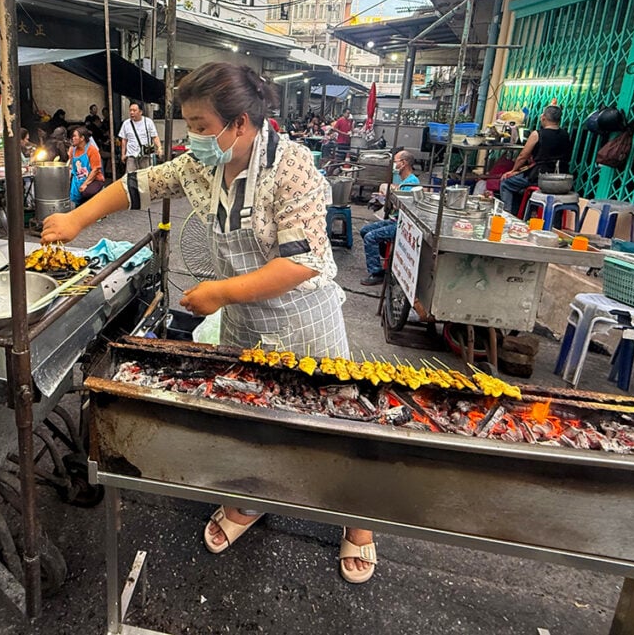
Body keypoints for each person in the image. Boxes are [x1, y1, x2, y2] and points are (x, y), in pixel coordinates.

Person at [41, 61, 377, 584]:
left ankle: (358, 523)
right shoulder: (202, 165)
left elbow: (302, 262)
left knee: (333, 423)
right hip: (244, 317)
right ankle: (250, 501)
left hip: (302, 314)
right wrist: (76, 218)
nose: (192, 138)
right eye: (188, 125)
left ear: (239, 123)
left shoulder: (293, 169)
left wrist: (220, 292)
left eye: (199, 126)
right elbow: (138, 186)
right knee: (247, 419)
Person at [360, 150, 421, 286]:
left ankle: (377, 273)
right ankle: (385, 260)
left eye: (395, 161)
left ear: (404, 163)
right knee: (365, 231)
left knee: (371, 236)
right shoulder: (404, 181)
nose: (394, 164)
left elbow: (403, 208)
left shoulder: (412, 183)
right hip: (395, 219)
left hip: (403, 224)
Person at [499, 104, 573, 215]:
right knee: (521, 187)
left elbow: (522, 156)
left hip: (541, 177)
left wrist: (513, 171)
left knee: (506, 182)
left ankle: (506, 215)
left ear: (543, 118)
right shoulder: (565, 134)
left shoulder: (537, 134)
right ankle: (528, 212)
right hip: (561, 178)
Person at [118, 102, 163, 173]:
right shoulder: (126, 123)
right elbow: (124, 139)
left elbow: (154, 136)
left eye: (134, 110)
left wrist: (159, 147)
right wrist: (123, 154)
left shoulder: (148, 122)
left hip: (145, 155)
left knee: (146, 176)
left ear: (140, 112)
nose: (131, 112)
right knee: (131, 177)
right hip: (131, 155)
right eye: (130, 110)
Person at [67, 126, 105, 205]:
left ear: (82, 138)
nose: (72, 138)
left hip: (94, 179)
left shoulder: (92, 150)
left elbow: (95, 170)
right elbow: (70, 166)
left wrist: (85, 184)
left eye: (75, 136)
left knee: (86, 193)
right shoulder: (72, 150)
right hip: (78, 178)